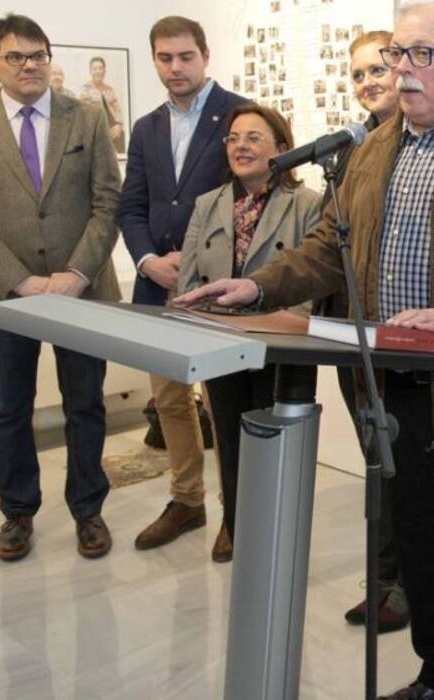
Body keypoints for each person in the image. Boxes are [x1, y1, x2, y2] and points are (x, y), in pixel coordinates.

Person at [176, 0, 434, 700]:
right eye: (399, 53)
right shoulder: (372, 150)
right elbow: (330, 251)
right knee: (428, 557)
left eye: (424, 54)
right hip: (394, 391)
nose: (405, 69)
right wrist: (260, 285)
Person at [0, 14, 121, 561]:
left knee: (85, 404)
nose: (29, 65)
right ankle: (18, 512)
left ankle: (89, 509)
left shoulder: (86, 117)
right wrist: (19, 279)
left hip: (81, 292)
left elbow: (108, 202)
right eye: (16, 56)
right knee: (10, 407)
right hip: (2, 296)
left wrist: (76, 275)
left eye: (38, 54)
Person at [118, 15, 246, 557]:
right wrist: (148, 260)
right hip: (156, 288)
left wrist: (192, 266)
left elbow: (249, 201)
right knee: (170, 402)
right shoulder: (146, 127)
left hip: (215, 290)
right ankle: (186, 500)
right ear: (154, 60)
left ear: (205, 54)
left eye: (184, 57)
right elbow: (133, 205)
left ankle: (235, 514)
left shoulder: (239, 114)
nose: (175, 68)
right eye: (164, 58)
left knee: (223, 404)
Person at [177, 103, 322, 554]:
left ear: (281, 147)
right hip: (221, 345)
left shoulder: (309, 205)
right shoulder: (208, 204)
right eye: (234, 138)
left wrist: (275, 324)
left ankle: (274, 538)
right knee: (232, 442)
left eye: (254, 138)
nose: (241, 147)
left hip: (281, 348)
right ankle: (236, 525)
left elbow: (313, 281)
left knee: (276, 449)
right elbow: (188, 276)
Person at [318, 28, 411, 632]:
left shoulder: (420, 141)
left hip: (404, 335)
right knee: (376, 461)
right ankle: (385, 582)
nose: (368, 82)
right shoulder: (349, 152)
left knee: (405, 465)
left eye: (378, 68)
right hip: (350, 332)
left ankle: (406, 586)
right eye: (357, 74)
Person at [79, 56, 126, 154]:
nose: (98, 71)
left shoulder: (109, 89)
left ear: (104, 71)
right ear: (90, 71)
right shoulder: (85, 90)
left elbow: (117, 110)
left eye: (100, 68)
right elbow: (82, 114)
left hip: (111, 128)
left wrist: (119, 125)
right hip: (95, 129)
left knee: (121, 134)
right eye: (95, 69)